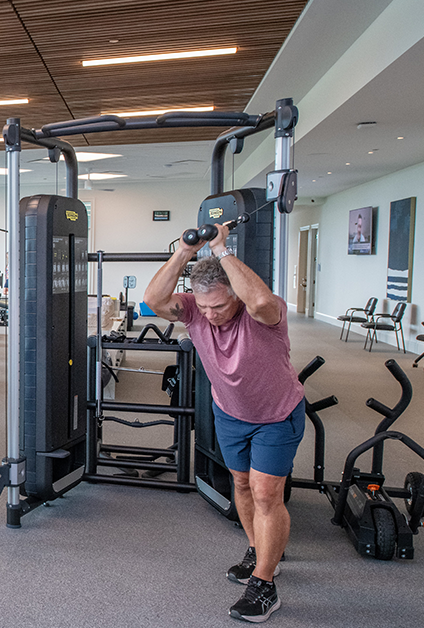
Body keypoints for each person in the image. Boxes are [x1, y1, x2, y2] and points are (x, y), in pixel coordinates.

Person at [143, 224, 304, 623]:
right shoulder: (195, 309)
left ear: (234, 292)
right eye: (205, 306)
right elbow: (152, 299)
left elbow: (262, 298)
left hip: (276, 414)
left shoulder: (264, 313)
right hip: (230, 413)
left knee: (268, 493)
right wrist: (184, 251)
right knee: (243, 485)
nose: (210, 315)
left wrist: (221, 248)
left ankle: (264, 585)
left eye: (219, 306)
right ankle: (258, 549)